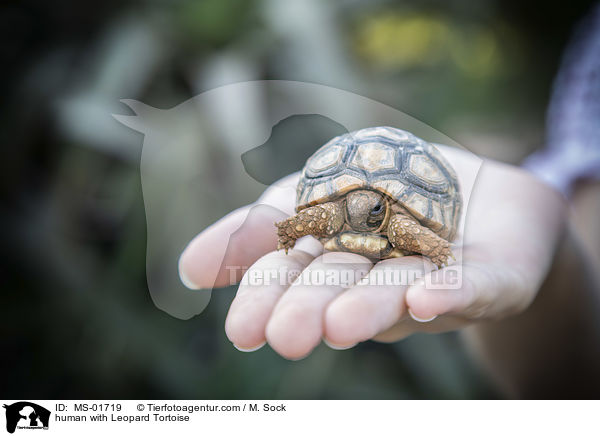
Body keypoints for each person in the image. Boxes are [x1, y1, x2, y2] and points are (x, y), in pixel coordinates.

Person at [178, 4, 600, 398]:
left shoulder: (397, 221)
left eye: (377, 212)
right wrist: (292, 230)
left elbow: (416, 232)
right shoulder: (334, 211)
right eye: (361, 210)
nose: (370, 217)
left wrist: (439, 247)